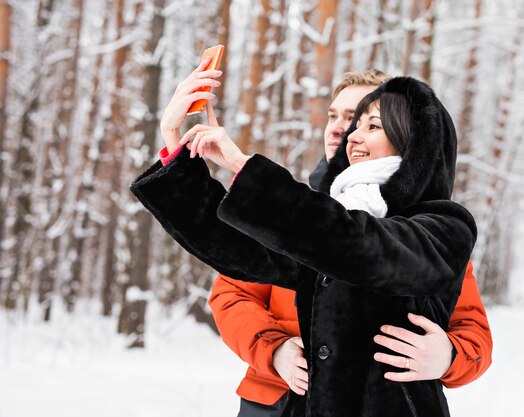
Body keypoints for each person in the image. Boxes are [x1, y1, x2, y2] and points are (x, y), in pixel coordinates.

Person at [131, 71, 477, 416]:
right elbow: (239, 249)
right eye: (349, 123)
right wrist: (175, 145)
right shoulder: (315, 218)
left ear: (412, 141)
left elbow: (362, 246)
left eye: (372, 125)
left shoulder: (445, 226)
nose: (350, 135)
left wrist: (450, 356)